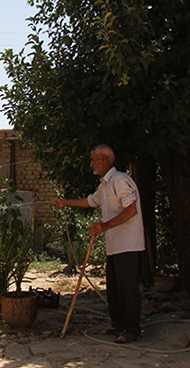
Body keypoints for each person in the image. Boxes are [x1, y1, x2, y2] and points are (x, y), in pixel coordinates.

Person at [53, 144, 145, 344]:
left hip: (129, 245)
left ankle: (133, 330)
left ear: (105, 160)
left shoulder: (120, 180)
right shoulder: (104, 185)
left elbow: (131, 210)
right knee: (114, 288)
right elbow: (90, 201)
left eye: (94, 159)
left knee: (128, 289)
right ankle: (118, 325)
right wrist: (64, 202)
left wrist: (105, 226)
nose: (91, 164)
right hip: (115, 246)